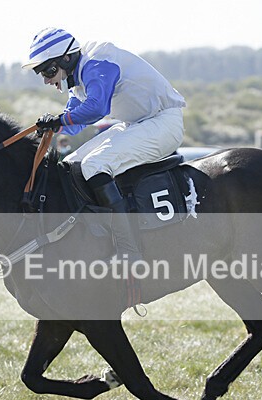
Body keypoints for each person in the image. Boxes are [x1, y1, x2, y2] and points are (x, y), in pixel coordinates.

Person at [22, 27, 186, 265]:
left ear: (67, 57)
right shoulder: (76, 79)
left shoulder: (97, 61)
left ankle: (129, 250)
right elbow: (75, 122)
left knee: (94, 165)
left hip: (163, 123)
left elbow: (98, 108)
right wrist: (52, 126)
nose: (47, 79)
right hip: (137, 124)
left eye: (49, 70)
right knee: (70, 165)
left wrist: (60, 120)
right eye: (42, 73)